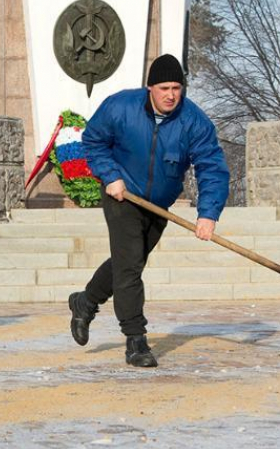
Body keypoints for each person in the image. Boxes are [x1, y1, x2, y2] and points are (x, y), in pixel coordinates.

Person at [70, 54, 230, 368]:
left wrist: (208, 214)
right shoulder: (121, 107)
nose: (171, 95)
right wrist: (110, 175)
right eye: (164, 88)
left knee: (127, 262)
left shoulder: (193, 121)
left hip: (158, 204)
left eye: (177, 88)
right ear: (149, 88)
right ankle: (136, 340)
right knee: (129, 267)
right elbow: (93, 140)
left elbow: (212, 167)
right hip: (122, 195)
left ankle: (86, 301)